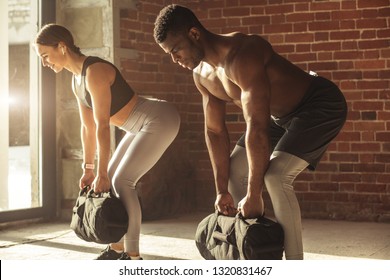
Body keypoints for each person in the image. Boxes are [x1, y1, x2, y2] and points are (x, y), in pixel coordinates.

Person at [154, 4, 347, 260]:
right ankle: (250, 255)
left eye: (176, 49)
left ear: (194, 34)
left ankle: (295, 267)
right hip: (277, 116)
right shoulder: (201, 74)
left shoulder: (243, 53)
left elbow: (256, 126)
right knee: (235, 170)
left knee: (276, 177)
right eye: (169, 53)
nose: (174, 59)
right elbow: (214, 131)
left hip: (317, 104)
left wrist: (254, 194)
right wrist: (222, 189)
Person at [35, 24, 180, 260]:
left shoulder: (95, 71)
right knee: (112, 180)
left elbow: (102, 125)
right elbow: (87, 127)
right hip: (137, 127)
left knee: (122, 181)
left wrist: (102, 172)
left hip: (159, 118)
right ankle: (117, 248)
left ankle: (133, 257)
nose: (44, 63)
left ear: (61, 47)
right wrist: (89, 169)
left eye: (45, 56)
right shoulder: (76, 80)